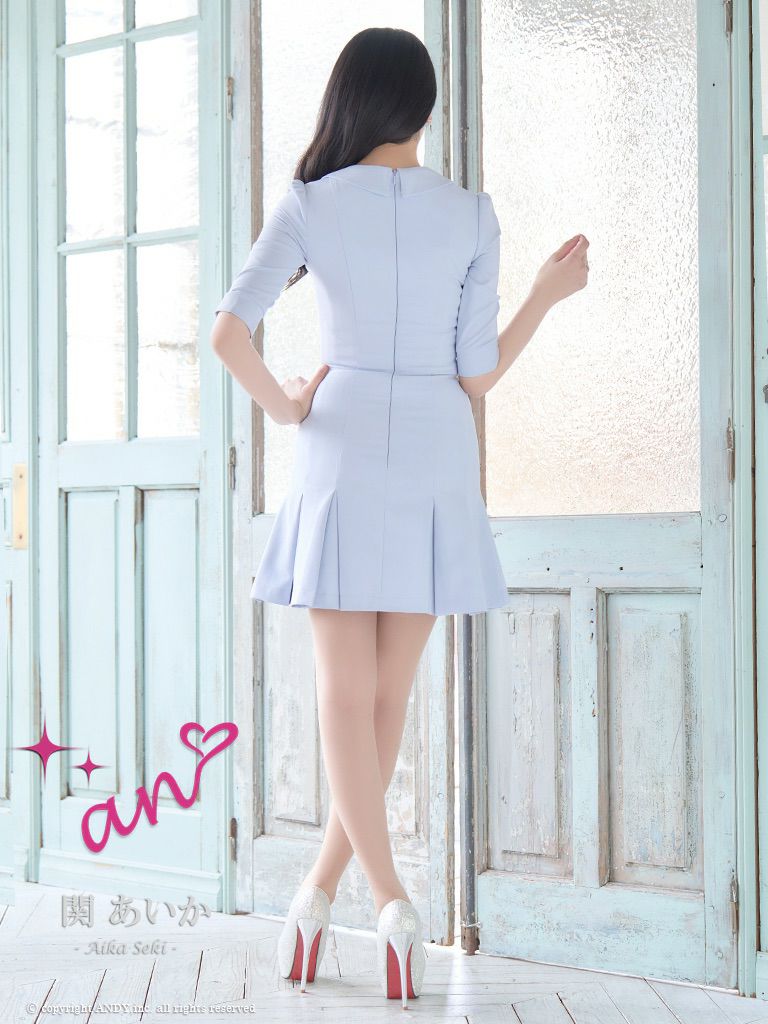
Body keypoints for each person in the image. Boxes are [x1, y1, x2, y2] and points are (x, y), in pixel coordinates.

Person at [210, 26, 588, 1007]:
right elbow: (477, 374)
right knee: (384, 701)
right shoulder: (471, 214)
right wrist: (545, 294)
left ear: (350, 101)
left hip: (339, 440)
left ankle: (368, 900)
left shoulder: (310, 201)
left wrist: (288, 406)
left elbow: (229, 332)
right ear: (424, 107)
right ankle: (349, 897)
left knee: (346, 696)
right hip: (432, 443)